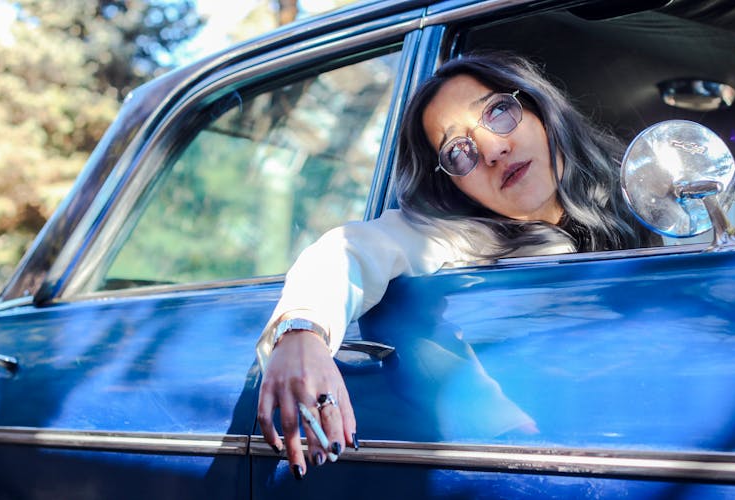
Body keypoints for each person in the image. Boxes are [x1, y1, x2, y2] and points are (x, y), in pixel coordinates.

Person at [255, 51, 655, 480]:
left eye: (498, 111)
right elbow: (351, 248)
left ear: (542, 109)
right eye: (458, 151)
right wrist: (300, 331)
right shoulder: (461, 238)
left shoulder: (649, 196)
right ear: (453, 187)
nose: (493, 149)